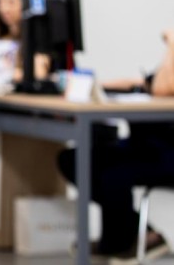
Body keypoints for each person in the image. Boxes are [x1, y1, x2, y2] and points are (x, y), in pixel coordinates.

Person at [57, 29, 174, 263]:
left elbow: (163, 88)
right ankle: (140, 233)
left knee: (114, 173)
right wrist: (93, 86)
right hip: (144, 146)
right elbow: (144, 83)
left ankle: (119, 242)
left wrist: (172, 43)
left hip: (167, 152)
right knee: (75, 159)